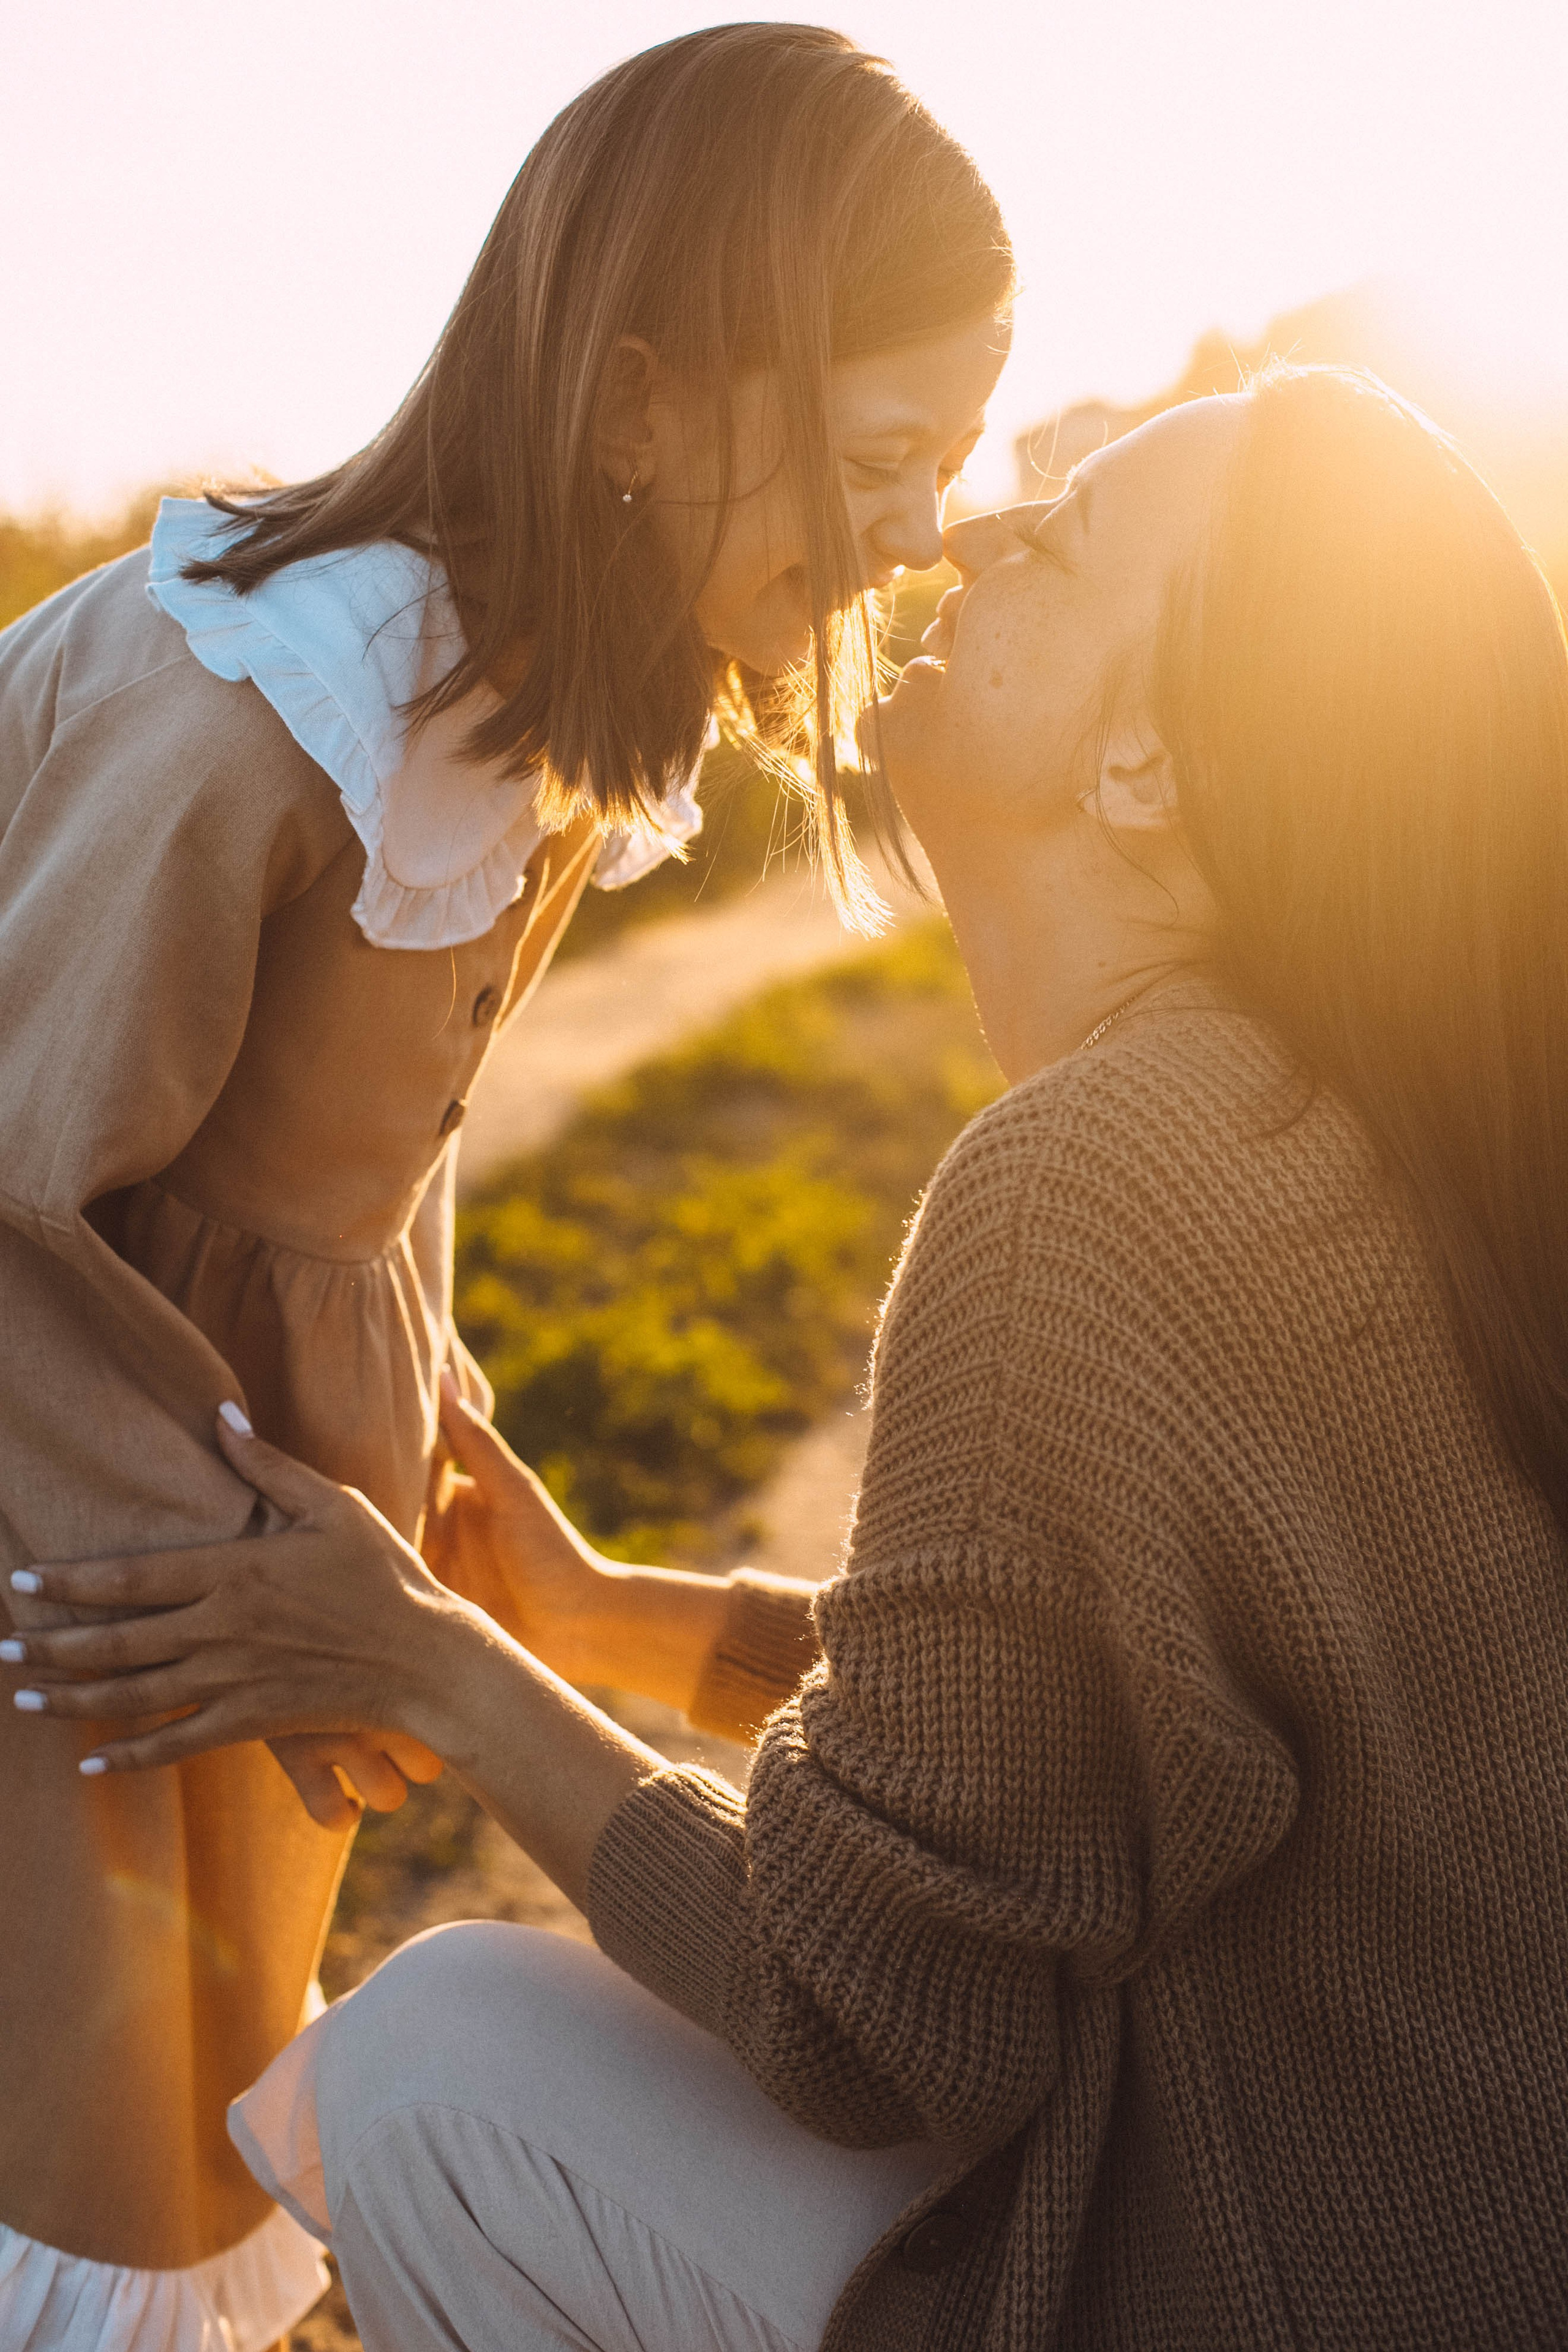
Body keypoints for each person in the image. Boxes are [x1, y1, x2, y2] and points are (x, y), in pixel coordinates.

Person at [16, 361, 1568, 2350]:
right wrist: (605, 1620)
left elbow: (862, 2014)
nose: (969, 528)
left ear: (1143, 772)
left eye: (1068, 531)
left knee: (434, 2069)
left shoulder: (1092, 1189)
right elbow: (1065, 1739)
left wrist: (424, 1665)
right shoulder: (1335, 1131)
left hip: (1256, 2278)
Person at [0, 23, 1011, 2346]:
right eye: (881, 456)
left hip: (251, 1561)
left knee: (197, 2082)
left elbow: (347, 1222)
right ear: (640, 409)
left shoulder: (527, 723)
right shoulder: (263, 715)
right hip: (88, 1572)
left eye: (946, 467)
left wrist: (493, 1552)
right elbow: (32, 1213)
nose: (925, 536)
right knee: (74, 2122)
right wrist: (265, 1577)